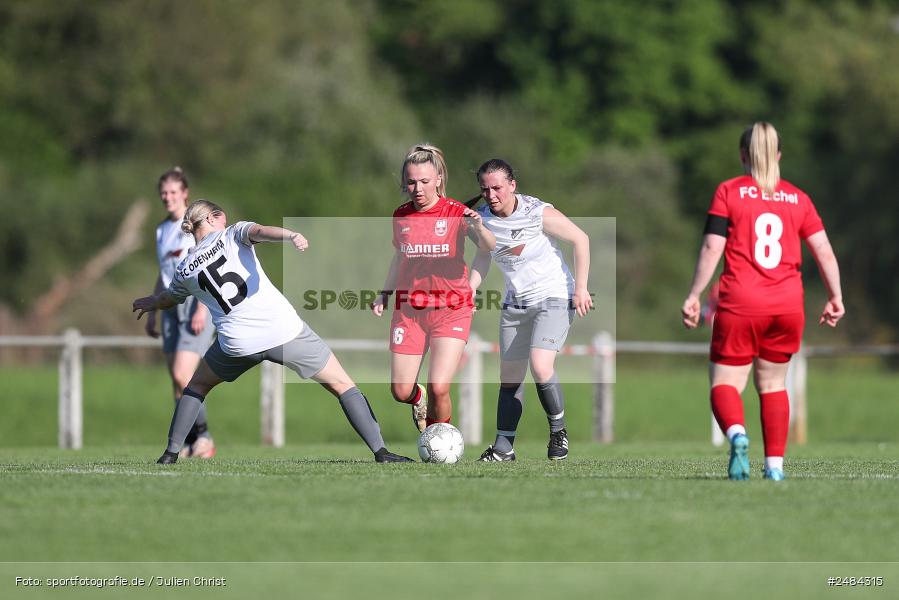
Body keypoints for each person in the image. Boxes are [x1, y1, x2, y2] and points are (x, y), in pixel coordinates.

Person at [133, 200, 414, 464]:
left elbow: (171, 298)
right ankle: (381, 452)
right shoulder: (231, 234)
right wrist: (291, 235)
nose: (225, 220)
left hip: (236, 343)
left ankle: (170, 454)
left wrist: (153, 303)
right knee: (342, 384)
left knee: (195, 387)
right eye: (221, 217)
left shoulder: (185, 268)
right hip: (283, 331)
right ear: (210, 218)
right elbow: (261, 232)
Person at [681, 122, 844, 481]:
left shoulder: (729, 191)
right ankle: (774, 468)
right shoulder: (799, 198)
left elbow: (712, 247)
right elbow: (824, 252)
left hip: (740, 302)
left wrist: (694, 294)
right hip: (787, 305)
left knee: (725, 384)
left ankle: (738, 435)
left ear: (743, 155)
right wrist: (835, 296)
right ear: (779, 155)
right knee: (773, 385)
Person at [468, 159, 593, 462]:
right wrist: (470, 289)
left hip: (554, 295)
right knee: (509, 377)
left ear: (513, 185)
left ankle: (558, 431)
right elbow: (484, 257)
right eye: (485, 189)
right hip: (516, 302)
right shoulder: (483, 219)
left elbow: (581, 239)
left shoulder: (536, 213)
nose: (491, 194)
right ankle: (503, 447)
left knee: (540, 365)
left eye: (497, 187)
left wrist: (580, 288)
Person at [371, 144, 495, 432]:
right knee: (401, 391)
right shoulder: (401, 215)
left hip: (451, 310)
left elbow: (489, 249)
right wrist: (384, 293)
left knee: (439, 386)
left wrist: (479, 228)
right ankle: (419, 399)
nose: (418, 188)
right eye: (412, 182)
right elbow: (399, 257)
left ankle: (441, 439)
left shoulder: (456, 212)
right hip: (410, 311)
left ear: (438, 179)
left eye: (425, 182)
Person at [144, 167, 216, 458]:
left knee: (183, 373)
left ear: (185, 193)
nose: (168, 197)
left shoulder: (194, 225)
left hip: (195, 304)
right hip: (170, 306)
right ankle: (187, 441)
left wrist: (201, 307)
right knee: (177, 381)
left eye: (173, 192)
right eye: (164, 192)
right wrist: (153, 310)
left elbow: (205, 266)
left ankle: (205, 437)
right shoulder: (162, 230)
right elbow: (164, 274)